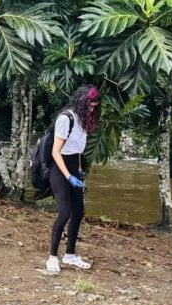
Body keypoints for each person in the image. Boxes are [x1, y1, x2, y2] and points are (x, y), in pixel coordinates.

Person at [46, 85, 101, 274]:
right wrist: (68, 176)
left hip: (73, 170)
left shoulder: (83, 121)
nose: (92, 110)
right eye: (90, 106)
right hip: (59, 171)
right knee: (64, 213)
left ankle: (70, 255)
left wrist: (78, 172)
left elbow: (76, 151)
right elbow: (56, 152)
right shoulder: (66, 118)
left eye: (94, 107)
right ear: (81, 102)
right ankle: (52, 257)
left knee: (78, 213)